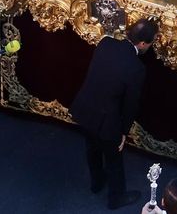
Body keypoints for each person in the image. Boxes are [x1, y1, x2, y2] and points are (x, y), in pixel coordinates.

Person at [67, 18, 157, 210]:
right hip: (107, 121)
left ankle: (97, 182)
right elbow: (130, 105)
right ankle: (116, 198)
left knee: (91, 148)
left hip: (84, 109)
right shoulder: (136, 68)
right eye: (151, 43)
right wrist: (124, 132)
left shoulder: (105, 43)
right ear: (142, 44)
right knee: (114, 159)